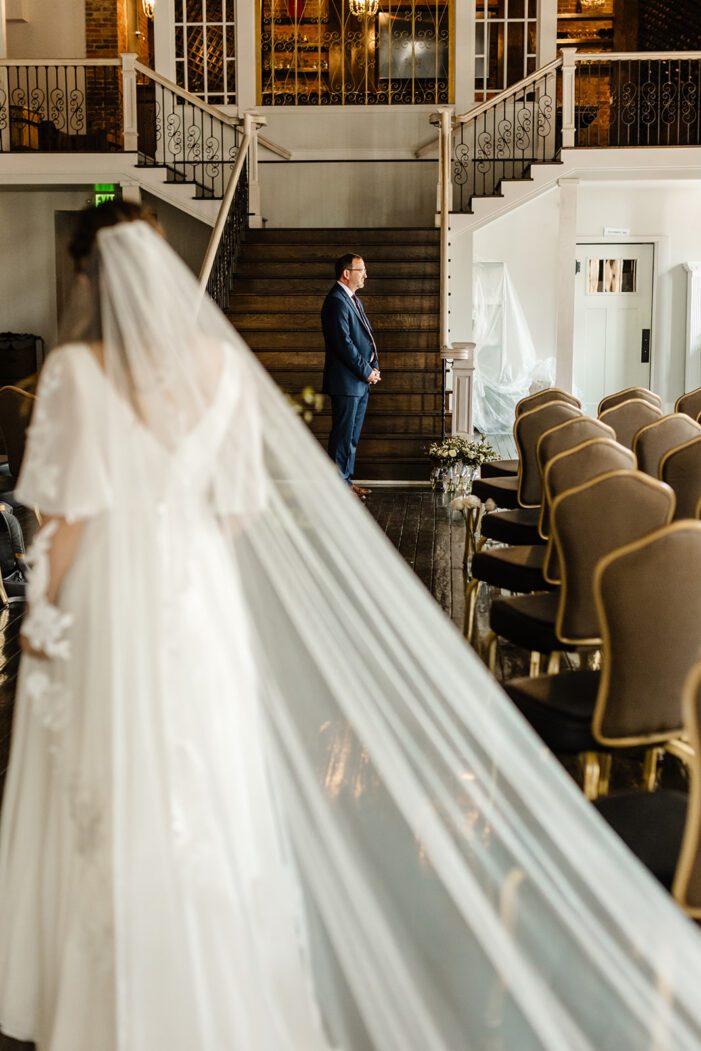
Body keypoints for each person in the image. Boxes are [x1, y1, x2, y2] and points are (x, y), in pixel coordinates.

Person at [3, 202, 701, 1051]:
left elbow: (64, 524)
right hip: (198, 602)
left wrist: (42, 616)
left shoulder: (81, 374)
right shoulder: (218, 372)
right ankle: (214, 971)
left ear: (88, 277)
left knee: (115, 781)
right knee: (207, 777)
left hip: (115, 599)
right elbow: (237, 511)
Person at [321, 254, 380, 497]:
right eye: (361, 270)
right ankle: (336, 488)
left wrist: (373, 367)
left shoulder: (354, 300)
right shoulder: (336, 301)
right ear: (347, 273)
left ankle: (345, 482)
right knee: (343, 436)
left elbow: (366, 337)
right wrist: (366, 371)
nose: (365, 275)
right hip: (346, 383)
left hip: (359, 381)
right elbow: (343, 345)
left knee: (352, 438)